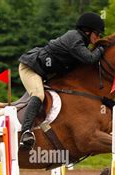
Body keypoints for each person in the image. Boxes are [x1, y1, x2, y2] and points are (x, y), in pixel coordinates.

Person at [18, 12, 105, 150]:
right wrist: (101, 49)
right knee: (38, 95)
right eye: (98, 34)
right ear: (87, 31)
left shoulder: (81, 43)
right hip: (31, 68)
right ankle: (25, 133)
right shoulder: (74, 38)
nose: (99, 37)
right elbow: (90, 59)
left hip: (45, 74)